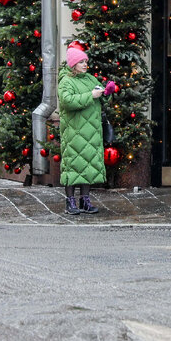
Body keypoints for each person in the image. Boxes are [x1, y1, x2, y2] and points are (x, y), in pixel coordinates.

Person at [58, 44, 106, 216]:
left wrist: (106, 91)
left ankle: (85, 200)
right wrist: (90, 96)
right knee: (72, 166)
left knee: (88, 165)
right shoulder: (66, 81)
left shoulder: (90, 79)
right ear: (73, 64)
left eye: (86, 61)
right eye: (81, 62)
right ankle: (70, 202)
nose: (85, 64)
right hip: (74, 132)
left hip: (91, 131)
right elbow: (67, 101)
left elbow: (99, 91)